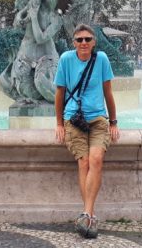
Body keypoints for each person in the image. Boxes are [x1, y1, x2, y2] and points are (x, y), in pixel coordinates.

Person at [54, 23, 119, 239]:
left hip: (98, 118)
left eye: (87, 39)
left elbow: (108, 92)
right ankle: (89, 215)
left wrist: (114, 122)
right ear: (73, 43)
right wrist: (59, 124)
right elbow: (59, 93)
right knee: (83, 162)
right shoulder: (65, 59)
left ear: (94, 42)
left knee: (96, 159)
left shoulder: (101, 60)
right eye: (79, 39)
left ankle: (86, 213)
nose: (83, 43)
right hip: (73, 118)